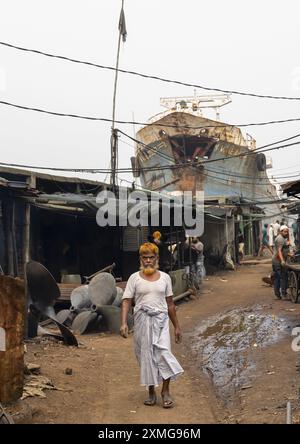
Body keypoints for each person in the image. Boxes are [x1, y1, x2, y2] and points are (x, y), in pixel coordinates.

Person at [120, 242, 183, 408]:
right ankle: (150, 391)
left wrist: (176, 326)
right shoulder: (134, 278)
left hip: (161, 321)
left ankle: (165, 391)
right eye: (145, 257)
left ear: (157, 258)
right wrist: (124, 323)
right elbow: (126, 300)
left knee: (164, 353)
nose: (148, 260)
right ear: (141, 259)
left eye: (151, 257)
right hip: (142, 322)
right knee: (146, 355)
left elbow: (170, 304)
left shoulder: (165, 278)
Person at [272, 225, 294, 300]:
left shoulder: (284, 238)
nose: (286, 233)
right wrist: (282, 260)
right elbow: (279, 251)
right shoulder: (280, 239)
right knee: (280, 277)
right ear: (280, 232)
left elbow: (284, 251)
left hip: (280, 260)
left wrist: (289, 254)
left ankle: (279, 294)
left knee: (280, 276)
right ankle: (282, 295)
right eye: (284, 231)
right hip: (277, 260)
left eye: (287, 231)